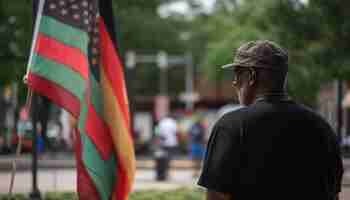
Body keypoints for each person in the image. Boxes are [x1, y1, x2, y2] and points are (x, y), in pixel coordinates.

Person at [198, 40, 344, 200]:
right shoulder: (322, 127)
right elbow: (334, 195)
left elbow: (216, 196)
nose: (234, 82)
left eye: (238, 74)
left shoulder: (232, 125)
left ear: (252, 76)